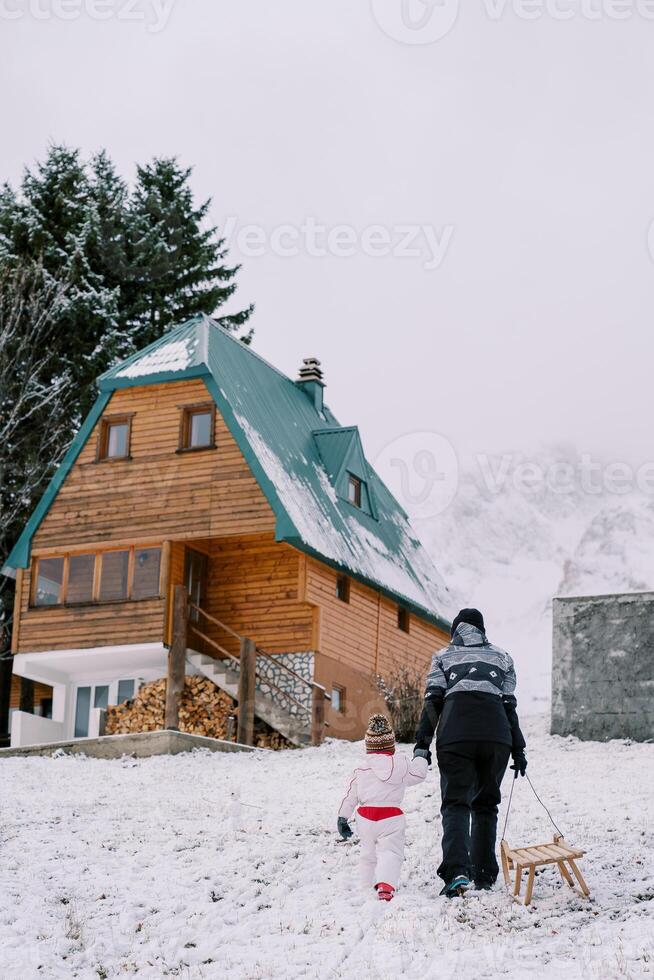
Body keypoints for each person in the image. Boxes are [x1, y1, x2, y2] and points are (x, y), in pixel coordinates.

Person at [414, 608, 527, 898]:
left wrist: (421, 745)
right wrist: (519, 749)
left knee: (455, 805)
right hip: (496, 738)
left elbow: (432, 702)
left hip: (455, 737)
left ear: (455, 631)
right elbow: (508, 705)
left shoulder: (442, 656)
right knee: (486, 805)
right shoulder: (502, 658)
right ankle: (485, 875)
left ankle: (457, 872)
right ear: (482, 630)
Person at [337, 713, 429, 902]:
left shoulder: (361, 769)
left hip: (366, 817)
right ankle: (386, 887)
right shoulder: (401, 765)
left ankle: (364, 885)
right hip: (391, 816)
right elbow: (419, 775)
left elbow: (351, 796)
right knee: (391, 851)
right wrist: (420, 756)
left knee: (367, 853)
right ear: (391, 744)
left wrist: (342, 817)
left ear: (369, 746)